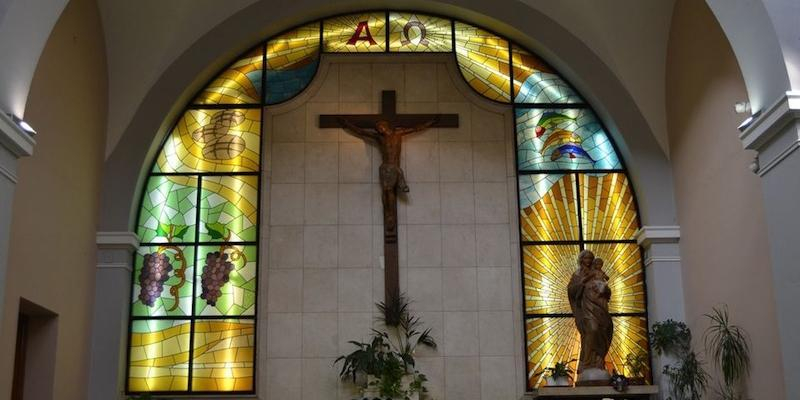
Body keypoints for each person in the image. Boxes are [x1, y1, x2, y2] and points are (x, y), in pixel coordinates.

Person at [567, 250, 613, 377]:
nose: (588, 261)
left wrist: (604, 289)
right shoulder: (577, 274)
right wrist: (583, 281)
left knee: (602, 331)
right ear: (581, 260)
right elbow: (571, 290)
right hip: (586, 308)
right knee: (592, 329)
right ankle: (586, 362)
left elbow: (607, 289)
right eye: (586, 258)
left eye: (590, 259)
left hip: (600, 306)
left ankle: (598, 361)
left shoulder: (597, 272)